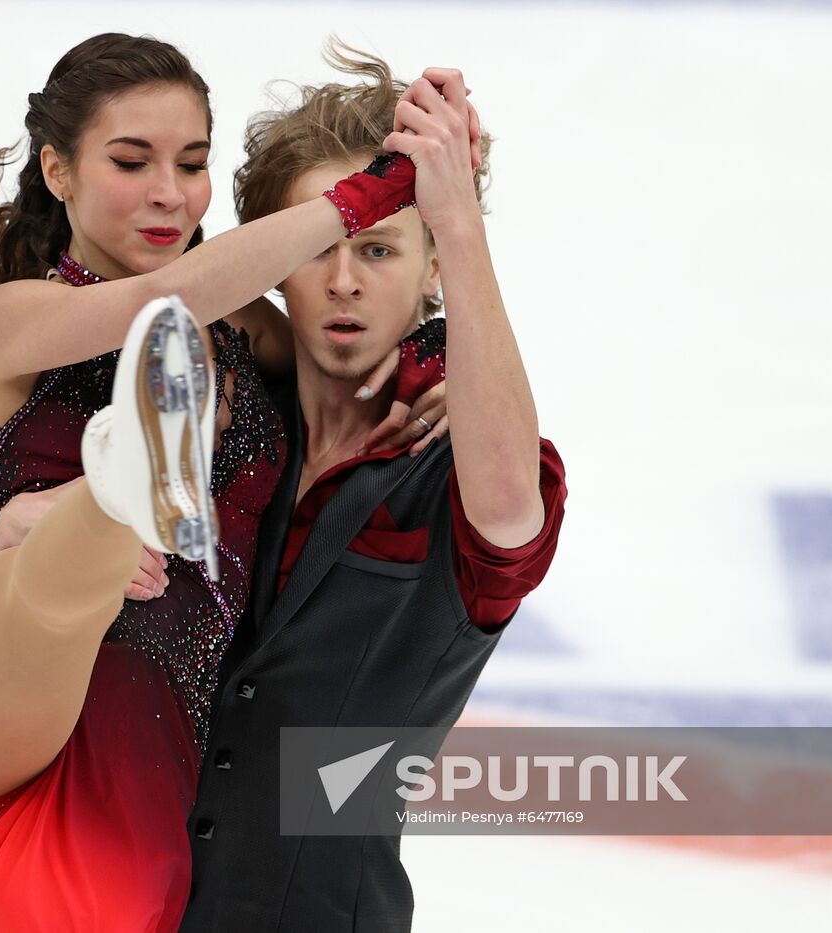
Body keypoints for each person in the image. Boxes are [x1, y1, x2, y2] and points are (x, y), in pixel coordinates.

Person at [0, 33, 476, 932]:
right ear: (58, 169)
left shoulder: (250, 336)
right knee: (61, 581)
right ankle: (118, 493)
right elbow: (156, 306)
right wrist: (359, 197)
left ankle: (119, 497)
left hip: (150, 739)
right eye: (131, 160)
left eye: (191, 163)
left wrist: (432, 375)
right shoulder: (13, 320)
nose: (168, 192)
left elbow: (346, 363)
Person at [175, 50, 568, 931]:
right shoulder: (221, 419)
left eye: (381, 248)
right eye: (317, 250)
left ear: (432, 269)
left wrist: (459, 224)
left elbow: (509, 514)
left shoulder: (458, 464)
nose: (344, 280)